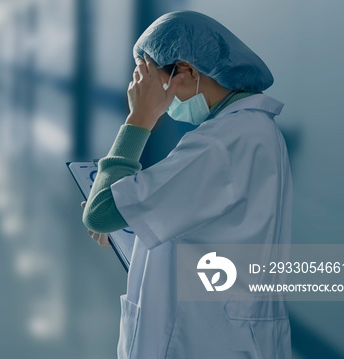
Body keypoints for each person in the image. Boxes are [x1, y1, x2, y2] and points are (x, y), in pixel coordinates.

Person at [80, 11, 292, 359]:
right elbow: (198, 228)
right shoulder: (255, 132)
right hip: (228, 332)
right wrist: (128, 218)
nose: (142, 91)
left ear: (188, 71)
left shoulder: (222, 142)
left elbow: (100, 214)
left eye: (150, 81)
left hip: (203, 341)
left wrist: (140, 117)